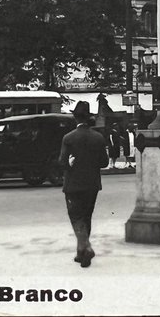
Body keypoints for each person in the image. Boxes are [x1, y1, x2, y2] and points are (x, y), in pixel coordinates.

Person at [58, 101, 109, 267]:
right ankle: (81, 252)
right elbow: (104, 162)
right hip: (92, 184)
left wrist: (71, 163)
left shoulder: (69, 138)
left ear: (75, 117)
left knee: (76, 216)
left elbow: (62, 162)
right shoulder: (98, 138)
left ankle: (85, 247)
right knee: (87, 216)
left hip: (73, 184)